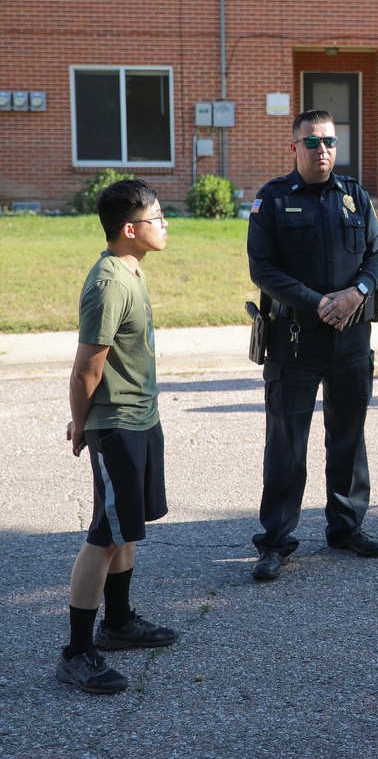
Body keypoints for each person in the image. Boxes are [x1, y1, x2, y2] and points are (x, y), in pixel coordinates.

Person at [247, 109, 378, 580]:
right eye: (312, 143)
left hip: (352, 336)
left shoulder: (355, 196)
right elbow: (263, 269)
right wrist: (318, 303)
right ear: (295, 148)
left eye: (329, 141)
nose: (322, 150)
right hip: (294, 340)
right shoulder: (273, 199)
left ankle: (346, 527)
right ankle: (275, 540)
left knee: (349, 433)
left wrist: (357, 293)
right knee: (287, 443)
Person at [59, 179, 178, 695]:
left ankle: (119, 623)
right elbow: (87, 366)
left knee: (126, 528)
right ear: (130, 229)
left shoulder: (132, 269)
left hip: (141, 418)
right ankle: (77, 651)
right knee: (105, 534)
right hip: (116, 426)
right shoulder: (109, 282)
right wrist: (81, 423)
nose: (164, 223)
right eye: (157, 217)